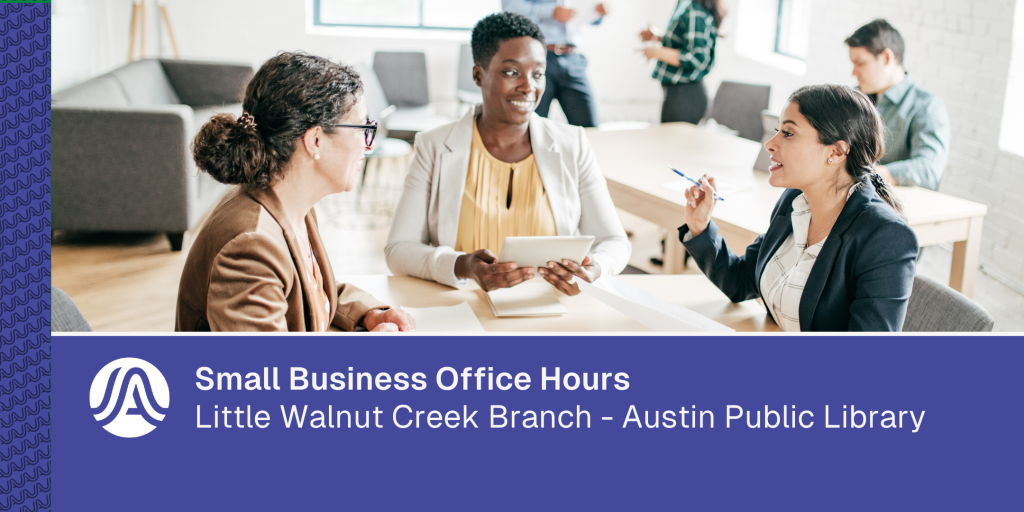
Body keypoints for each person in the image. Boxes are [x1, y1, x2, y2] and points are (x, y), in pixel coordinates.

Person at [385, 12, 630, 296]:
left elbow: (614, 242)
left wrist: (595, 268)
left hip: (549, 310)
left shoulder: (571, 144)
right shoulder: (434, 146)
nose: (529, 87)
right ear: (478, 75)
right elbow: (398, 250)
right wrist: (462, 265)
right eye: (511, 72)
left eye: (538, 74)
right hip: (463, 310)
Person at [176, 52, 415, 332]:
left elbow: (309, 290)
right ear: (315, 140)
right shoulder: (250, 245)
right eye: (362, 128)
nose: (368, 145)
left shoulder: (288, 200)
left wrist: (370, 313)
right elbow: (266, 373)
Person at [679, 85, 919, 332]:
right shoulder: (794, 201)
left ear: (836, 152)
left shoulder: (886, 238)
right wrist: (700, 227)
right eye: (777, 131)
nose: (770, 144)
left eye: (788, 133)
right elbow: (741, 281)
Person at [846, 19, 950, 190]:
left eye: (860, 63)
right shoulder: (857, 98)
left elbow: (928, 171)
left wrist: (865, 174)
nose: (854, 72)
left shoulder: (927, 107)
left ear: (887, 57)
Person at [502, 0, 609, 127]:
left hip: (572, 57)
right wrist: (551, 11)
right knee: (532, 127)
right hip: (537, 57)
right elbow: (510, 7)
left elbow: (585, 13)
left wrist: (597, 12)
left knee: (589, 127)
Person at [640, 0, 726, 124]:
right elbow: (684, 42)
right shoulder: (685, 3)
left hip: (686, 95)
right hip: (676, 92)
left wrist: (656, 52)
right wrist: (658, 37)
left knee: (670, 141)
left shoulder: (695, 11)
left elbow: (696, 58)